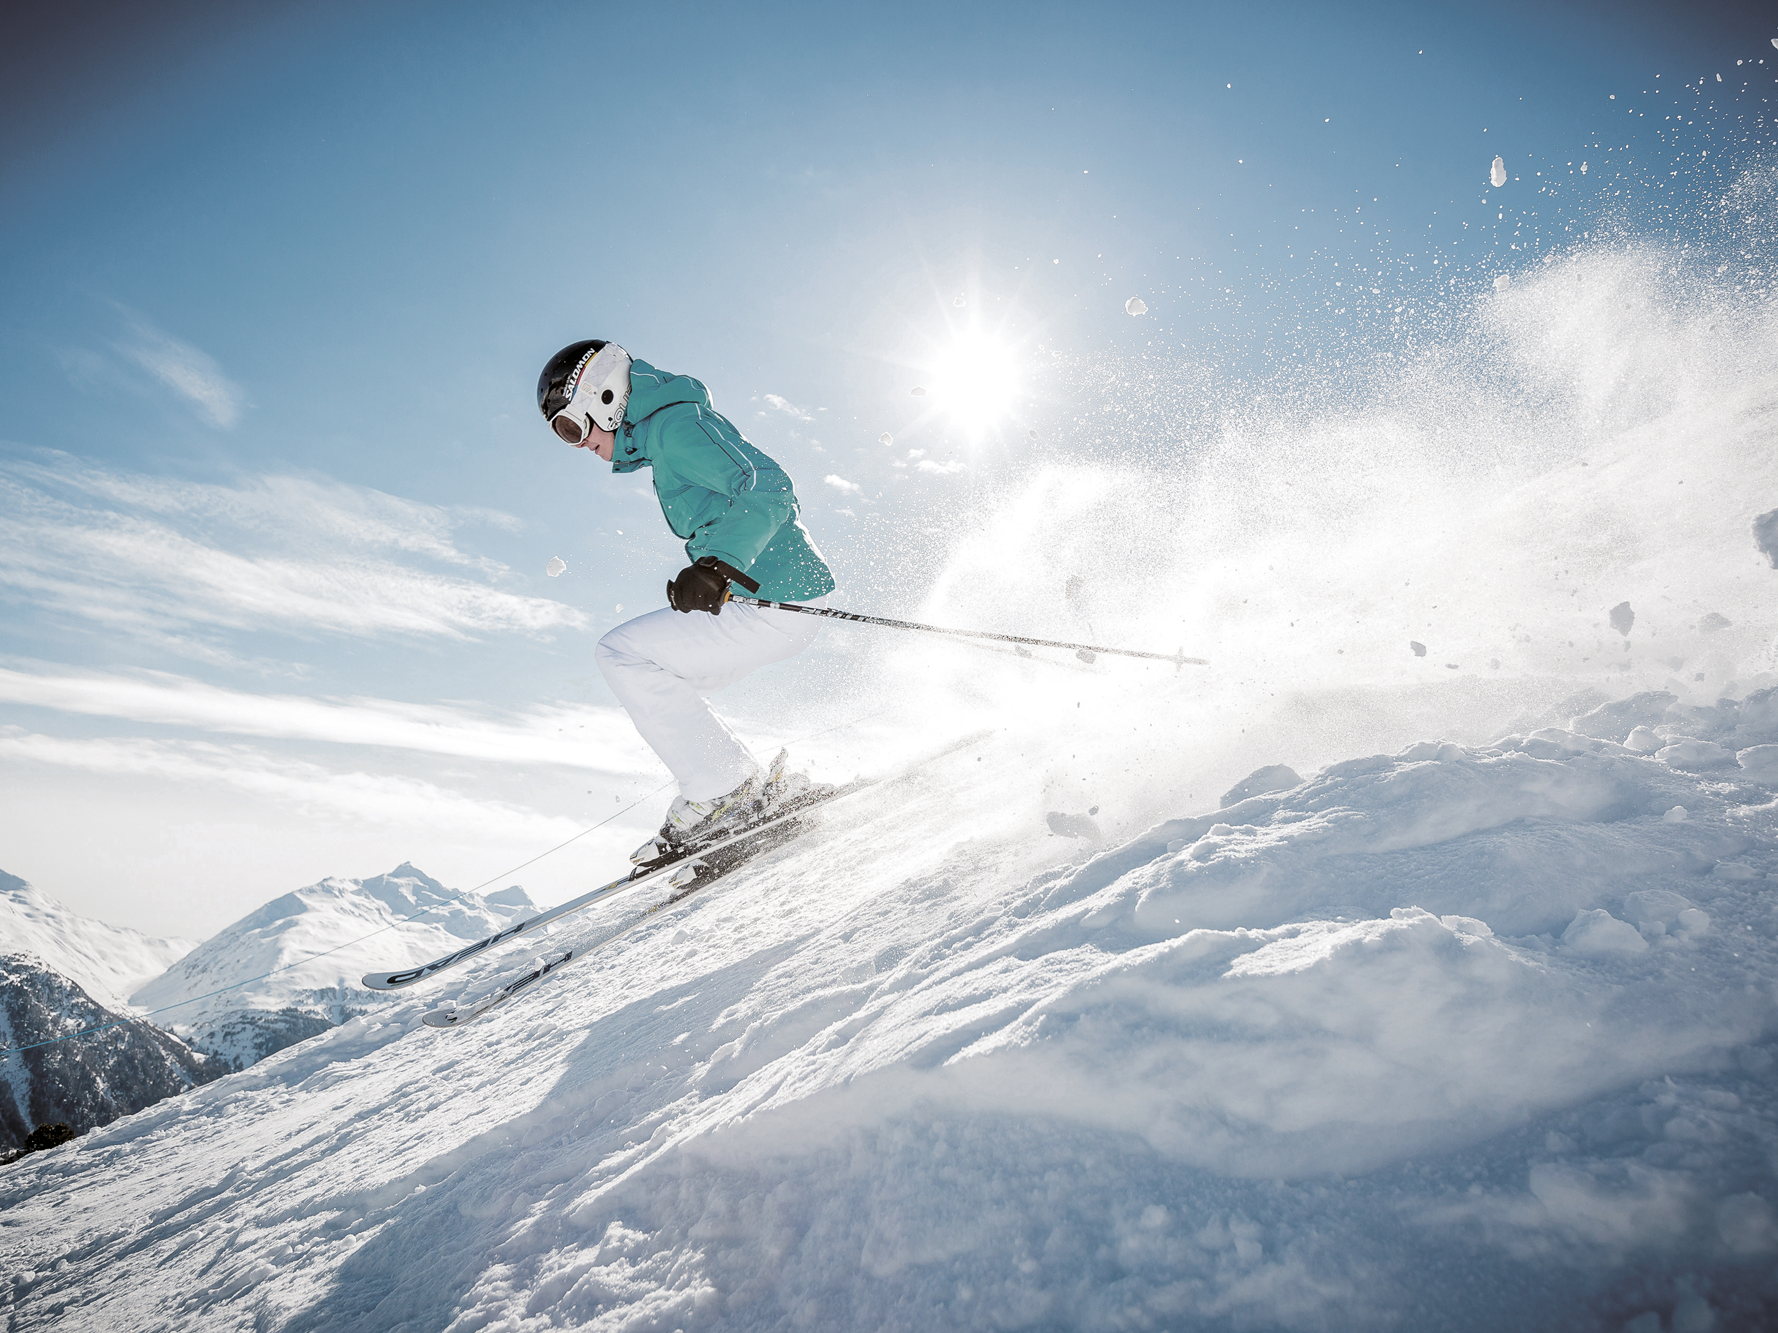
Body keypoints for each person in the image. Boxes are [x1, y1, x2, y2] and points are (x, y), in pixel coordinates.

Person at [536, 340, 836, 864]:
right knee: (657, 683)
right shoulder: (668, 432)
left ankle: (725, 790)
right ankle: (734, 789)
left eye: (573, 427)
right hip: (768, 599)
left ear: (603, 396)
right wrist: (713, 572)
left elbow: (771, 487)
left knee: (623, 654)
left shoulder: (676, 429)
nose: (578, 444)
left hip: (776, 601)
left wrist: (717, 564)